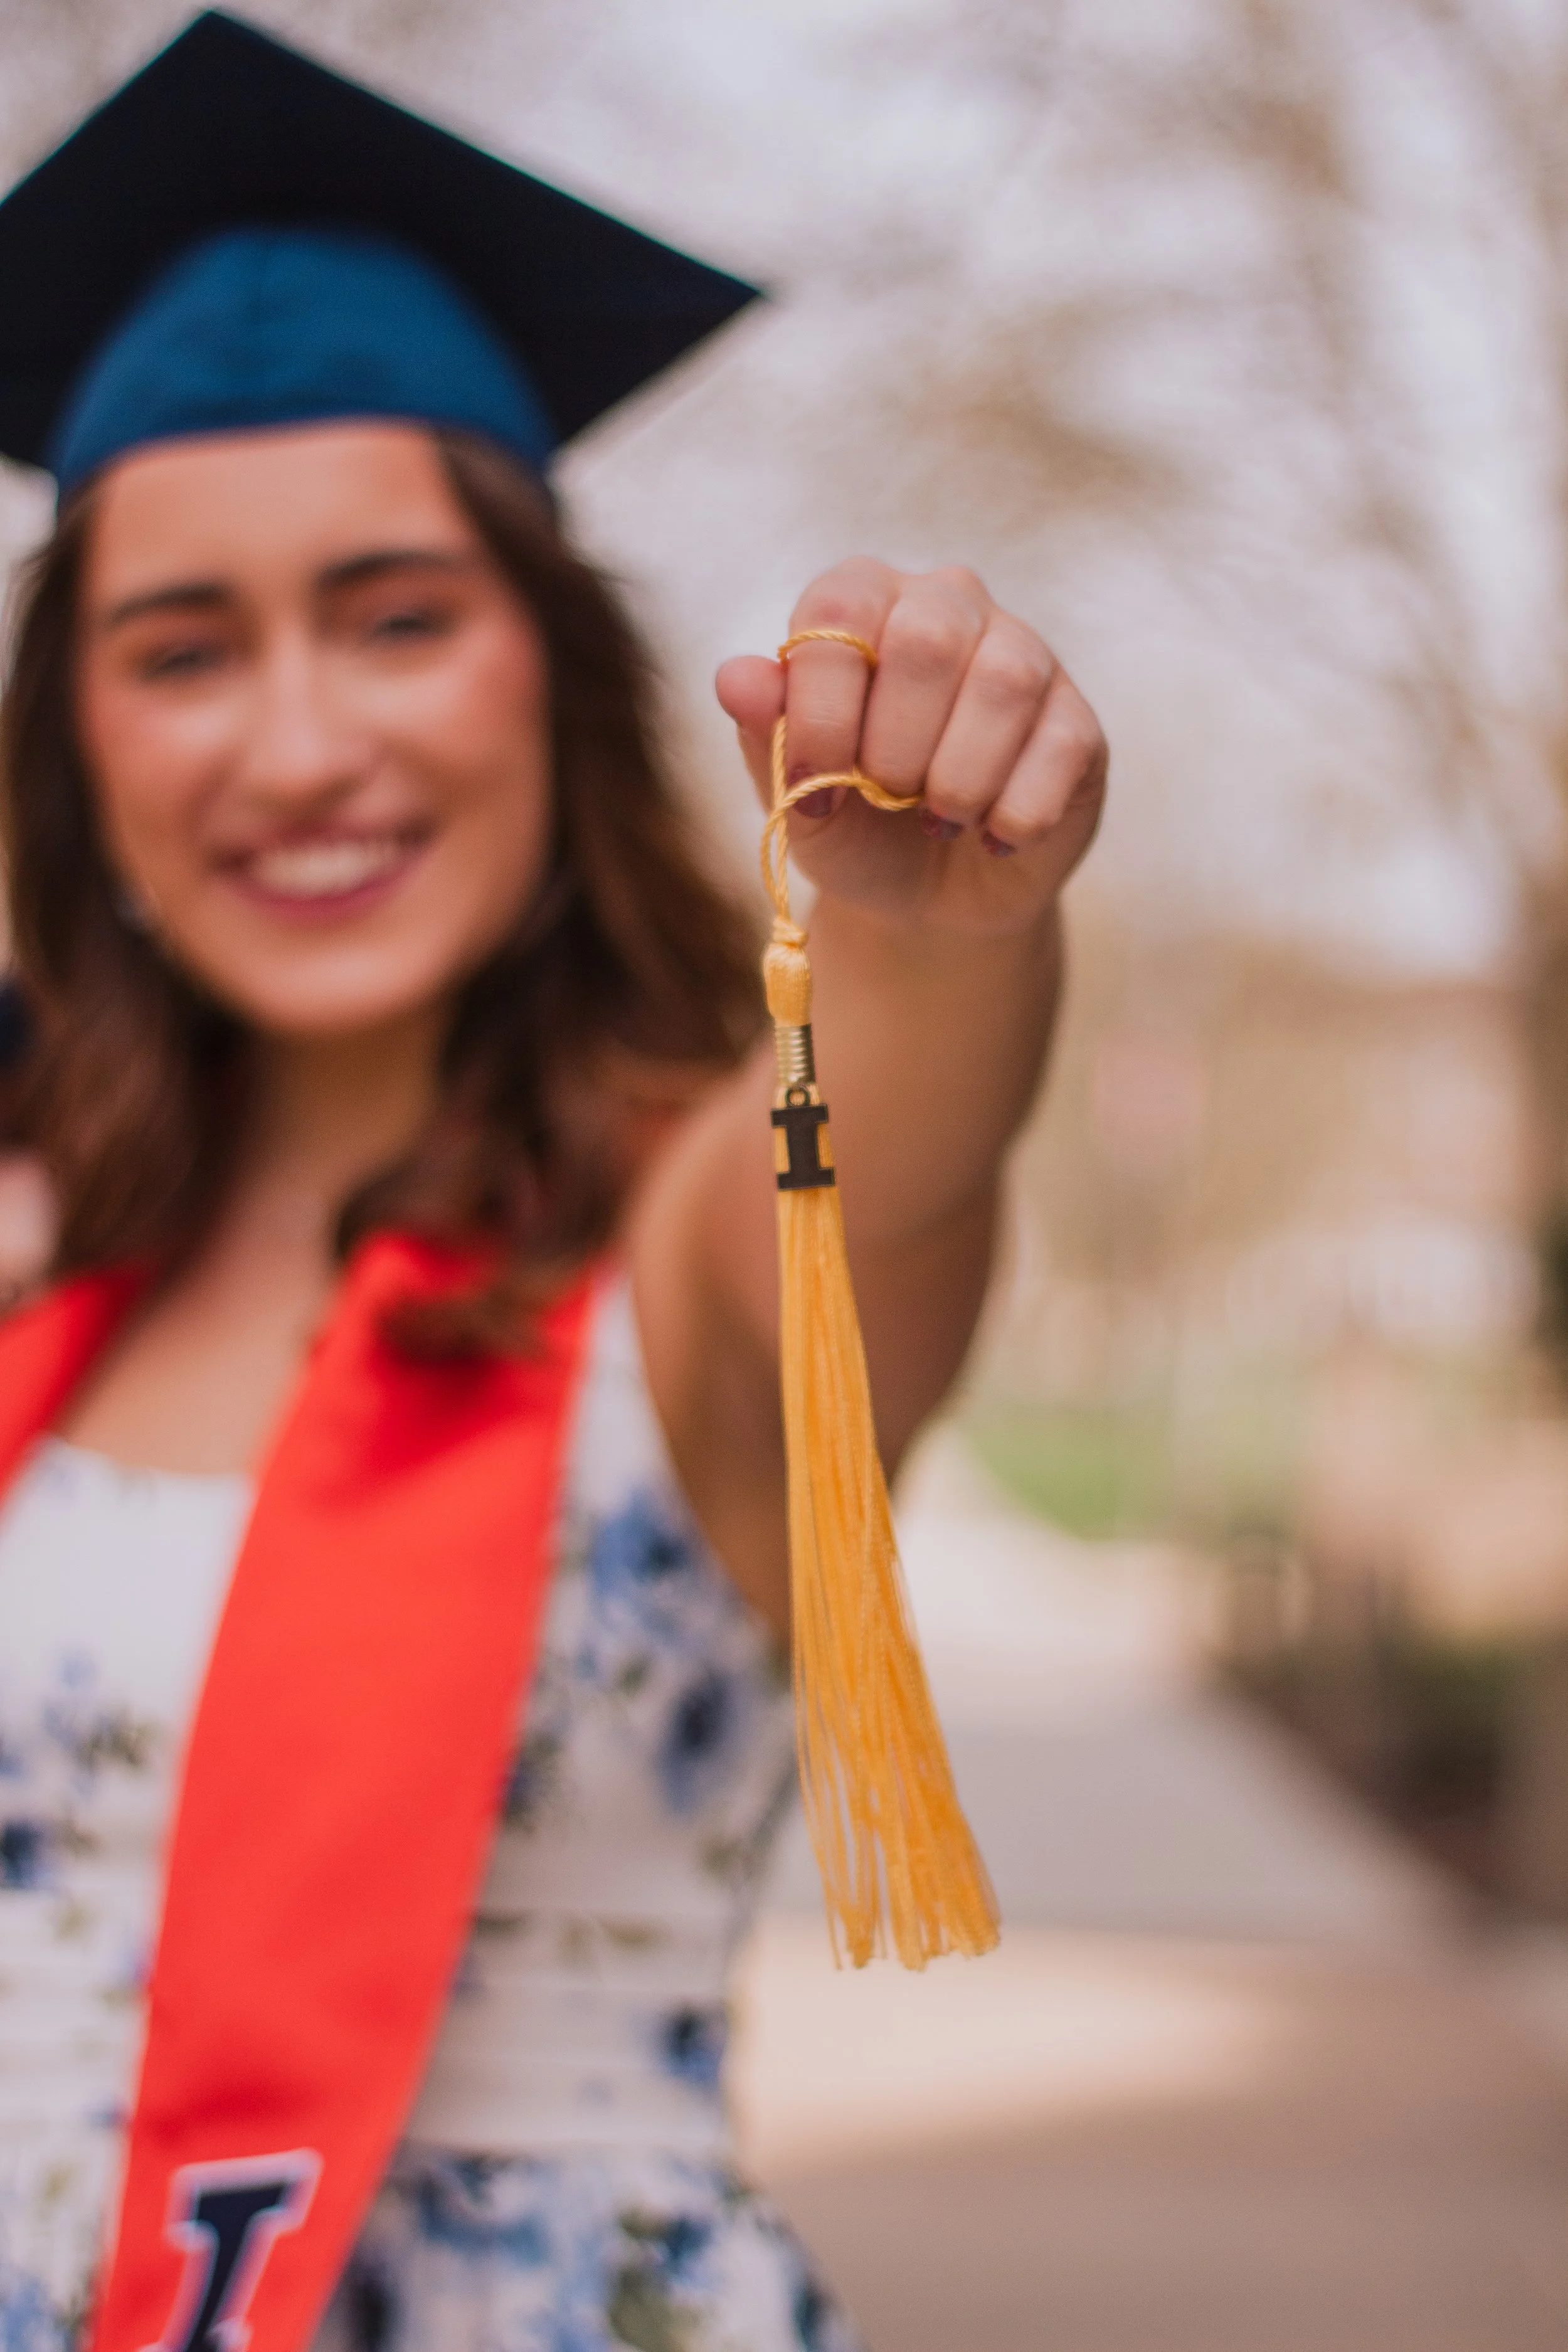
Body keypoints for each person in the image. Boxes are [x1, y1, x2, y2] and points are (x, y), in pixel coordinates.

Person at [0, 16, 1106, 2352]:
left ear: (549, 669)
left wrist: (927, 937)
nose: (304, 742)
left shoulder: (689, 1247)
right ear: (76, 747)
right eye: (181, 649)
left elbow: (886, 1154)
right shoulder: (25, 1259)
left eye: (398, 613)